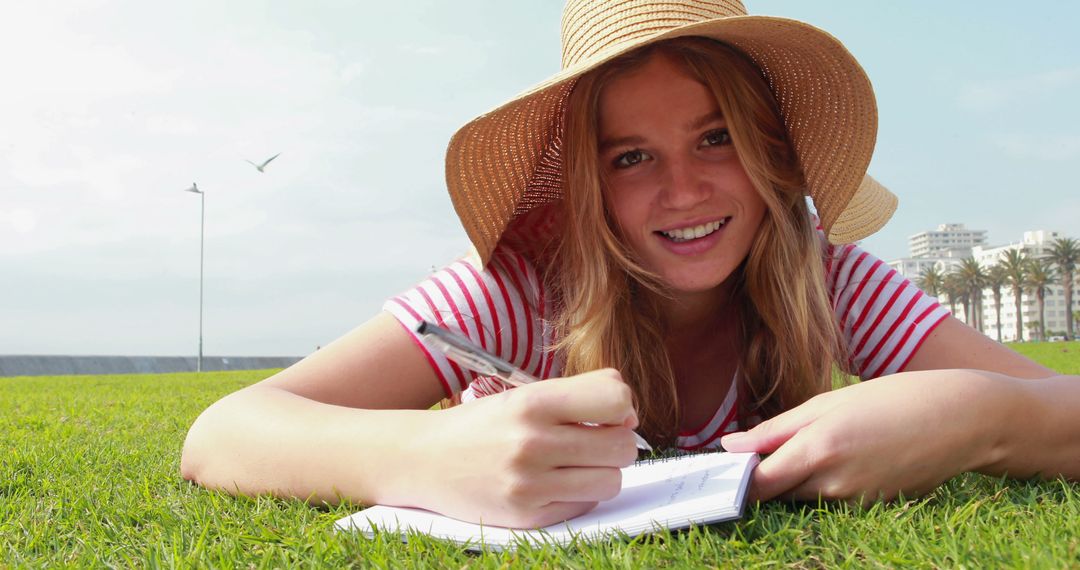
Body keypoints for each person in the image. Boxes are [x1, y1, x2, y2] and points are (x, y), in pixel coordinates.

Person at [180, 0, 1080, 529]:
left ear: (772, 155)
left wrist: (980, 417)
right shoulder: (518, 288)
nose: (684, 190)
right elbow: (222, 432)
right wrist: (426, 450)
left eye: (716, 138)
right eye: (631, 156)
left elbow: (1059, 412)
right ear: (587, 186)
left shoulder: (830, 279)